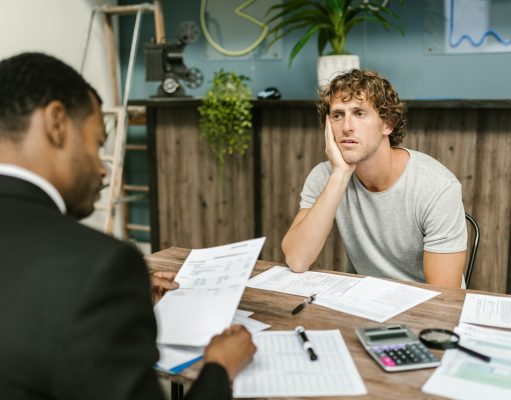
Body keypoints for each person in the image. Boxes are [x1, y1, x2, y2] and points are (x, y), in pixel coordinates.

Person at [0, 52, 255, 400]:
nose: (103, 169)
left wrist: (110, 309)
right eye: (96, 144)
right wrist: (219, 368)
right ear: (56, 123)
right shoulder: (99, 267)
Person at [282, 69, 467, 288]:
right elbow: (297, 259)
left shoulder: (437, 187)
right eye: (337, 115)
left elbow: (443, 295)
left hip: (423, 310)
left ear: (388, 124)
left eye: (359, 113)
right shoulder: (325, 176)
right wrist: (340, 174)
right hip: (366, 300)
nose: (347, 127)